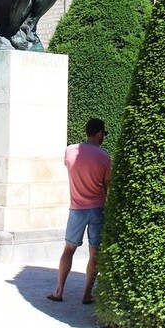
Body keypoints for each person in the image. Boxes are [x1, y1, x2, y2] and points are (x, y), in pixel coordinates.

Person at [47, 117, 111, 305]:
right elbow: (106, 185)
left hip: (76, 208)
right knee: (95, 251)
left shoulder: (70, 151)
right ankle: (87, 294)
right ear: (99, 133)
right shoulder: (104, 157)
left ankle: (59, 290)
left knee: (69, 248)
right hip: (97, 208)